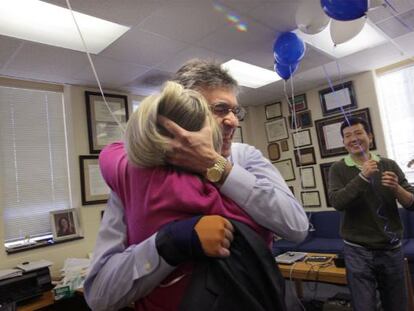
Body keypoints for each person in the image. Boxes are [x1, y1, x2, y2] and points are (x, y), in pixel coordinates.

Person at [84, 59, 309, 311]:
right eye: (221, 109)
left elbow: (297, 227)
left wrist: (215, 166)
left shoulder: (246, 158)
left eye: (236, 111)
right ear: (183, 113)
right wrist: (167, 243)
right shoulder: (136, 177)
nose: (233, 121)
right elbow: (99, 296)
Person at [328, 117, 414, 311]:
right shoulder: (338, 169)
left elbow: (412, 203)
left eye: (358, 133)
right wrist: (363, 176)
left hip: (391, 250)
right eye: (347, 136)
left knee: (397, 304)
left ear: (370, 137)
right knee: (364, 306)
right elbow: (337, 202)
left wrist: (397, 189)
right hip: (357, 251)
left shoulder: (389, 164)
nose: (353, 139)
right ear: (343, 142)